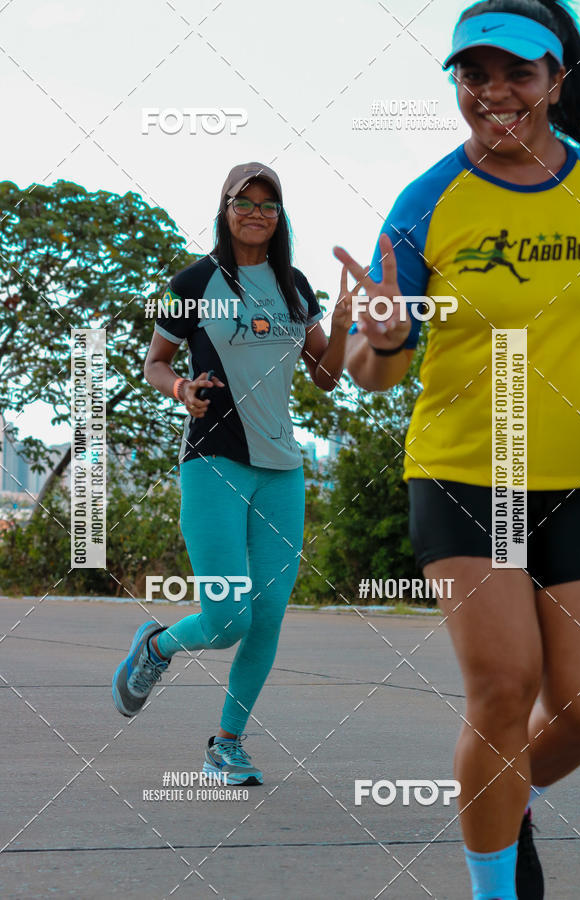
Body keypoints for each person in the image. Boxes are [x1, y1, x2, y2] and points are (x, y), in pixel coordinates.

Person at [334, 2, 580, 898]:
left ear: (556, 80)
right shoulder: (426, 203)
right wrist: (385, 334)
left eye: (517, 74)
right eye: (472, 75)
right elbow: (374, 374)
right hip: (465, 472)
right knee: (503, 686)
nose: (494, 93)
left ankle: (499, 795)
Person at [113, 162, 352, 785]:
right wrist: (180, 390)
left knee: (267, 619)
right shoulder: (193, 281)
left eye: (268, 204)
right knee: (227, 620)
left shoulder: (295, 286)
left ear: (281, 216)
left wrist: (347, 323)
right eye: (243, 201)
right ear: (224, 209)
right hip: (213, 464)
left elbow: (327, 376)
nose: (255, 212)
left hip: (282, 472)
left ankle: (227, 743)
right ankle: (156, 647)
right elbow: (155, 363)